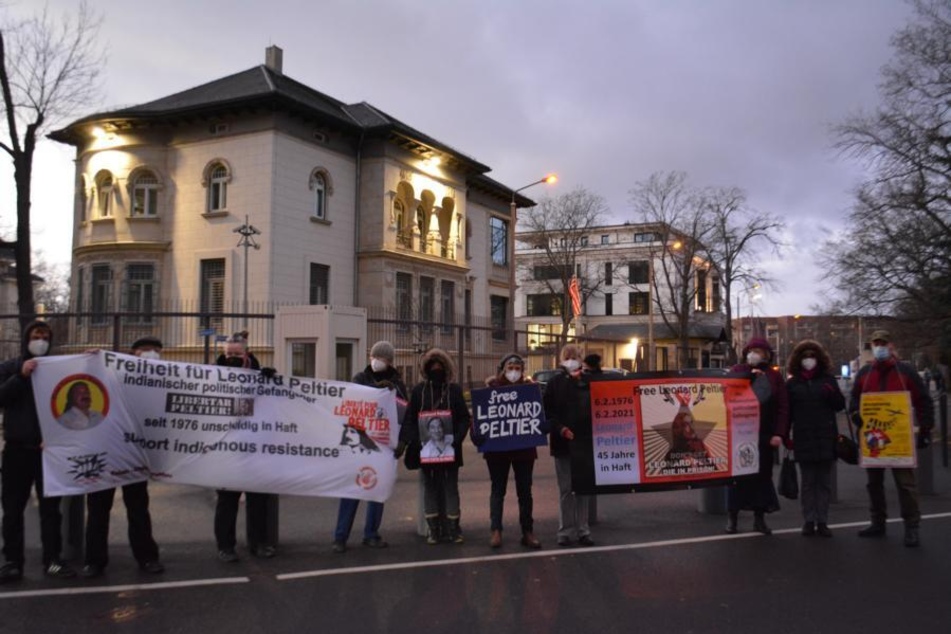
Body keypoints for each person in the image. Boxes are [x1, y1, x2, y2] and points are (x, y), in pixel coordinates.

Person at [82, 336, 166, 577]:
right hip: (105, 451)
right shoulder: (113, 373)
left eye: (156, 351)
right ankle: (94, 561)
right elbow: (90, 378)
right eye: (146, 350)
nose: (151, 354)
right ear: (133, 353)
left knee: (138, 509)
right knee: (98, 509)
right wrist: (93, 359)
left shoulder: (160, 379)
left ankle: (147, 558)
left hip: (135, 455)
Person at [0, 320, 76, 582]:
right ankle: (12, 562)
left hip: (48, 453)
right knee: (12, 510)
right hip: (16, 450)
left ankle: (53, 561)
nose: (40, 340)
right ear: (27, 339)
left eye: (45, 336)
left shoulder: (57, 369)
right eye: (36, 335)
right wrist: (20, 376)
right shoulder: (10, 368)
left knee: (50, 511)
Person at [850, 330, 934, 547]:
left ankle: (912, 526)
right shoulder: (865, 373)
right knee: (874, 483)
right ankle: (878, 521)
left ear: (891, 345)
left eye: (883, 343)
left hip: (899, 439)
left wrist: (925, 429)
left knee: (905, 484)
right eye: (876, 343)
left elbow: (923, 401)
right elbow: (854, 401)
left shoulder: (905, 371)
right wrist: (856, 416)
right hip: (873, 437)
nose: (879, 347)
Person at [332, 340, 407, 553]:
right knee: (351, 491)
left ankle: (371, 533)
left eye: (381, 358)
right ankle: (340, 536)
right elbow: (355, 400)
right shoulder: (360, 378)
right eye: (374, 357)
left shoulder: (398, 383)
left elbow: (404, 412)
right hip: (359, 444)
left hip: (383, 447)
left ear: (390, 362)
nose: (376, 361)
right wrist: (376, 389)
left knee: (376, 491)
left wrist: (402, 442)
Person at [213, 334, 277, 561]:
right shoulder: (210, 376)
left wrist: (270, 380)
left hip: (255, 450)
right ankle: (225, 546)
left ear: (246, 354)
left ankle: (258, 543)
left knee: (258, 501)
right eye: (228, 354)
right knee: (227, 503)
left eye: (237, 354)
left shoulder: (260, 374)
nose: (231, 358)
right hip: (227, 450)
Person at [402, 348, 470, 545]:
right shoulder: (418, 391)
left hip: (451, 449)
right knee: (430, 487)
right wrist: (416, 441)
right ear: (426, 370)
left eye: (440, 367)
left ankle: (453, 528)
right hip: (426, 451)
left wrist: (456, 439)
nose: (436, 371)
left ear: (447, 369)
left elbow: (464, 418)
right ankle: (433, 529)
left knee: (451, 488)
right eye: (432, 368)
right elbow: (410, 419)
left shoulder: (455, 391)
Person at [478, 353, 542, 549]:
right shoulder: (491, 391)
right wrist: (477, 434)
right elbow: (480, 419)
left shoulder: (530, 390)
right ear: (502, 369)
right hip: (498, 451)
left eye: (517, 367)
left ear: (522, 370)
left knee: (525, 492)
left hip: (524, 450)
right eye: (510, 367)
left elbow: (539, 417)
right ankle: (496, 530)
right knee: (498, 490)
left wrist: (543, 425)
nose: (514, 371)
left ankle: (527, 532)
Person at [726, 337, 789, 535]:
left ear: (767, 355)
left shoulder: (773, 376)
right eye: (751, 350)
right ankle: (732, 519)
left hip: (764, 434)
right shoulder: (737, 371)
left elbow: (783, 407)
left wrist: (779, 433)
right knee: (737, 477)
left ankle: (759, 519)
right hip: (739, 434)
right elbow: (726, 396)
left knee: (762, 477)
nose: (754, 354)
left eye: (759, 351)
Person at [786, 340, 845, 537]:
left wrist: (832, 394)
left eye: (811, 356)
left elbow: (839, 405)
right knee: (808, 482)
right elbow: (787, 413)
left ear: (818, 359)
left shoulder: (828, 380)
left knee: (824, 483)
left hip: (826, 437)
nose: (808, 360)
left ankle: (823, 521)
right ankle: (809, 520)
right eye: (805, 357)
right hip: (804, 437)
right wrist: (786, 436)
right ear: (798, 360)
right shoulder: (792, 384)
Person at [544, 344, 595, 547]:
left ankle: (583, 529)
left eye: (576, 356)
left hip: (583, 442)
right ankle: (565, 530)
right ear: (562, 359)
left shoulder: (587, 381)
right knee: (566, 489)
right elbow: (548, 412)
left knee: (582, 488)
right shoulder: (555, 383)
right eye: (569, 356)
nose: (572, 359)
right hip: (562, 442)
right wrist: (560, 429)